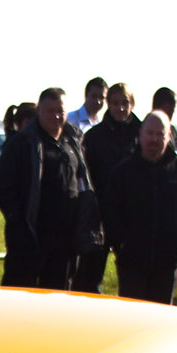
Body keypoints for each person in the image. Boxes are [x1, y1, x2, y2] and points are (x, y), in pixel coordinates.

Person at [0, 87, 92, 290]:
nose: (56, 116)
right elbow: (3, 191)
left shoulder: (73, 143)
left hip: (65, 242)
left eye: (61, 111)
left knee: (57, 304)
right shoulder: (21, 144)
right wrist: (19, 225)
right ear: (39, 111)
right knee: (20, 301)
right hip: (30, 239)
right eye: (50, 111)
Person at [100, 112, 177, 304]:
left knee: (161, 320)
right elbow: (110, 210)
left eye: (160, 134)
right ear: (140, 134)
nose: (154, 139)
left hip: (167, 261)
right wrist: (121, 242)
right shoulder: (123, 171)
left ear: (169, 136)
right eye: (150, 133)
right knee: (133, 318)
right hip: (132, 262)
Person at [77, 82, 141, 294]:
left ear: (132, 103)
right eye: (115, 103)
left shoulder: (143, 134)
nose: (120, 108)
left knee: (132, 278)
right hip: (101, 215)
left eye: (125, 103)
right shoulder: (94, 137)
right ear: (108, 105)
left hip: (131, 217)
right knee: (90, 278)